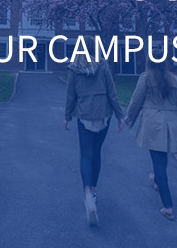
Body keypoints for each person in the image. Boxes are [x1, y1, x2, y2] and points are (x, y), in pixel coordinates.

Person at [64, 37, 125, 226]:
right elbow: (111, 92)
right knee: (96, 154)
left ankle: (88, 193)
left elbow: (70, 95)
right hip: (103, 116)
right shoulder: (103, 66)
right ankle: (94, 190)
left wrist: (67, 117)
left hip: (84, 117)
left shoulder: (74, 69)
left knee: (85, 156)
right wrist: (119, 115)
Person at [125, 57, 177, 221]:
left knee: (158, 162)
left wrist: (129, 118)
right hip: (171, 124)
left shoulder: (145, 78)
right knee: (162, 156)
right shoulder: (174, 79)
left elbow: (136, 101)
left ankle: (168, 206)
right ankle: (156, 179)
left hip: (153, 124)